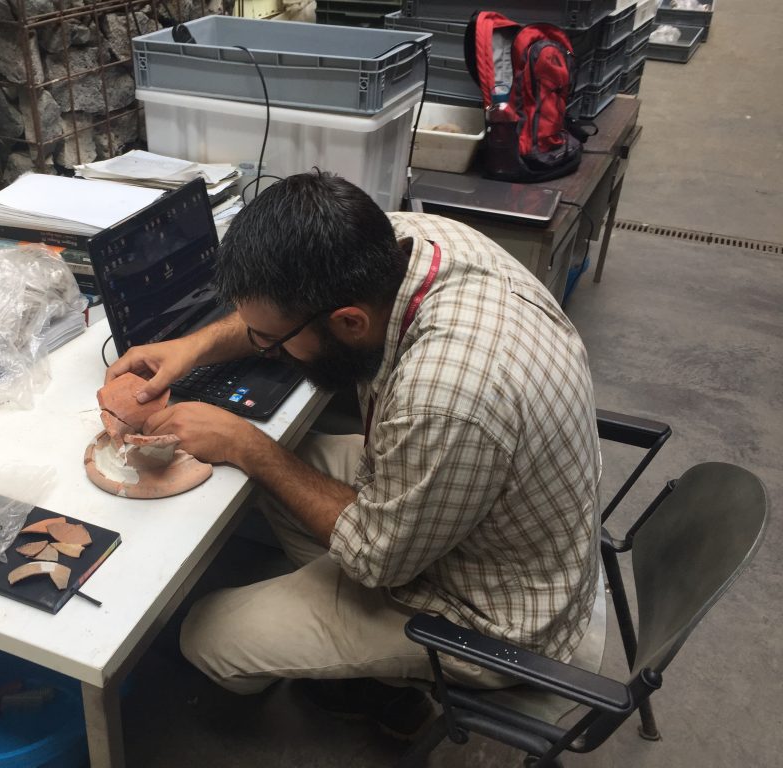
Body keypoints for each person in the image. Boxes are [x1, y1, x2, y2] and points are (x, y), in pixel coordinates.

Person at [104, 171, 602, 738]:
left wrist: (245, 443)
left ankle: (374, 681)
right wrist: (189, 348)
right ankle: (342, 642)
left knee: (207, 632)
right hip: (500, 518)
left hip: (493, 611)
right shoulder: (400, 243)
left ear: (349, 323)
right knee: (281, 464)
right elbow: (285, 314)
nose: (265, 346)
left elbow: (378, 558)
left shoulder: (445, 396)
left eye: (269, 340)